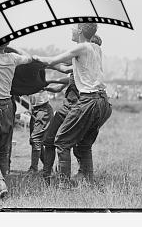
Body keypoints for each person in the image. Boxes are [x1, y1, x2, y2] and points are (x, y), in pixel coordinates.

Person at [34, 23, 112, 185]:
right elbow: (64, 68)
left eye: (74, 28)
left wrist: (31, 58)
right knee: (84, 145)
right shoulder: (96, 48)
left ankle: (63, 185)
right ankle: (88, 180)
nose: (72, 30)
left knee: (62, 142)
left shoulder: (81, 47)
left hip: (88, 100)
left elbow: (53, 60)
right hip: (103, 101)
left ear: (81, 31)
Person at [0, 40, 34, 198]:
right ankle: (0, 187)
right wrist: (13, 47)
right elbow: (29, 58)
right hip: (8, 107)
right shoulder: (13, 58)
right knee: (3, 150)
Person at [26, 89, 54, 173]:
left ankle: (33, 169)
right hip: (35, 110)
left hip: (43, 109)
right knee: (35, 141)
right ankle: (48, 168)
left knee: (36, 140)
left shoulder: (40, 81)